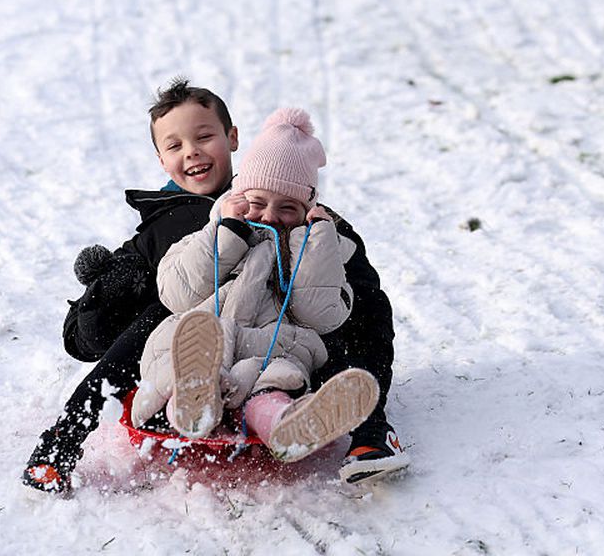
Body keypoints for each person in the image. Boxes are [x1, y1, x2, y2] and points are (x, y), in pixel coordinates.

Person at [22, 79, 407, 492]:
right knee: (160, 315)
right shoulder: (160, 228)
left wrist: (324, 240)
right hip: (192, 349)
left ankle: (368, 432)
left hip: (272, 348)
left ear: (233, 138)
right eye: (175, 146)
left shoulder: (279, 192)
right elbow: (84, 340)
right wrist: (108, 288)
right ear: (160, 159)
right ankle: (64, 437)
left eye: (204, 136)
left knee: (355, 307)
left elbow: (360, 299)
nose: (192, 151)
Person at [131, 107, 380, 462]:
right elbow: (176, 293)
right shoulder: (213, 231)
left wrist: (316, 241)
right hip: (203, 337)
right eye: (257, 202)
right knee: (177, 361)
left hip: (273, 343)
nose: (269, 215)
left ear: (308, 209)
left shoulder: (318, 246)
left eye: (288, 208)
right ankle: (192, 405)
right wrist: (225, 235)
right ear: (237, 196)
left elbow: (321, 316)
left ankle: (288, 426)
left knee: (278, 380)